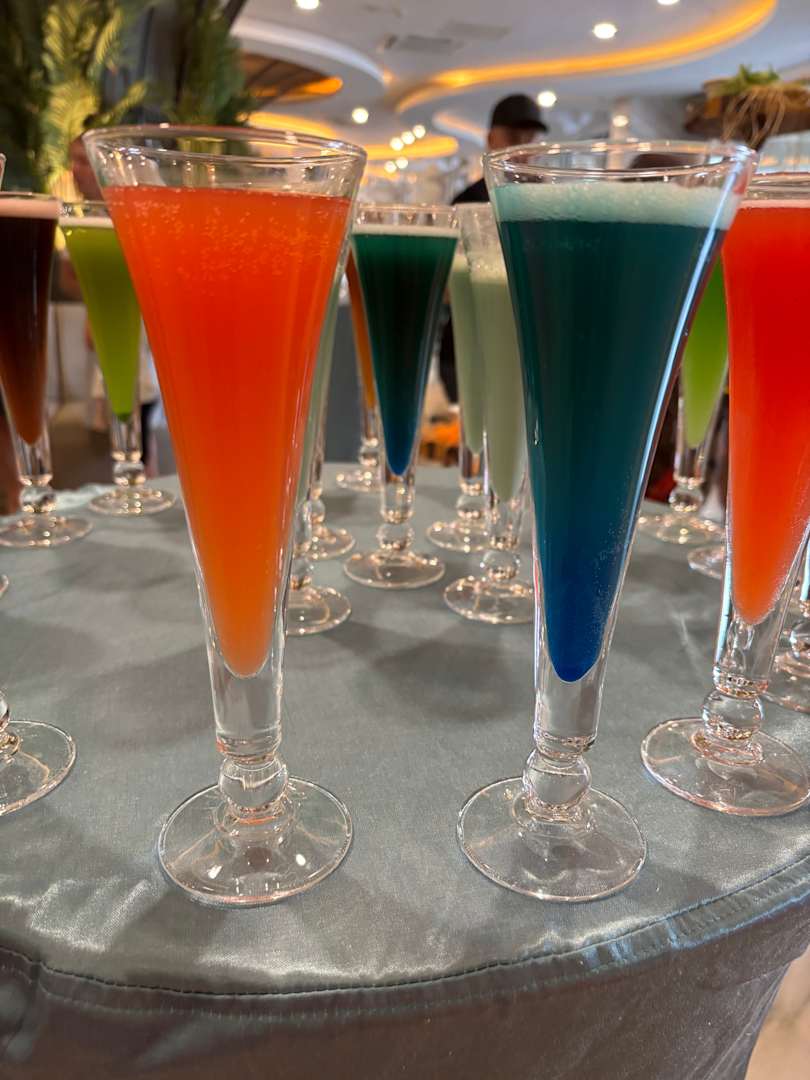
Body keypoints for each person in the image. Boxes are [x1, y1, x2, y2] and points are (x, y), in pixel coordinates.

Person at [440, 94, 548, 400]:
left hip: (528, 349)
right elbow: (446, 286)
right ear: (491, 139)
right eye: (514, 136)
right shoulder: (467, 202)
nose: (522, 147)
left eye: (530, 138)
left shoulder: (549, 205)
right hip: (467, 348)